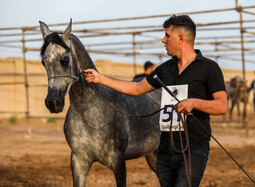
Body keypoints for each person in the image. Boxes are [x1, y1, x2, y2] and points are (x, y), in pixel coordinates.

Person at [84, 15, 227, 187]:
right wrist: (100, 79)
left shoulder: (209, 68)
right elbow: (136, 89)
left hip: (193, 149)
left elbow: (222, 105)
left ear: (181, 38)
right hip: (165, 149)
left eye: (167, 36)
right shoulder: (164, 69)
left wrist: (194, 103)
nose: (163, 40)